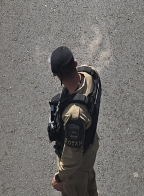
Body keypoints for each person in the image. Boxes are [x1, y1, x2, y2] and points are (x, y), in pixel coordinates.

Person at [47, 46, 101, 196]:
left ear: (56, 75)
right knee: (89, 185)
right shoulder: (90, 73)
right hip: (89, 147)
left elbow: (73, 158)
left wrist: (59, 178)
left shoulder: (74, 115)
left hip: (76, 169)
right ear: (75, 64)